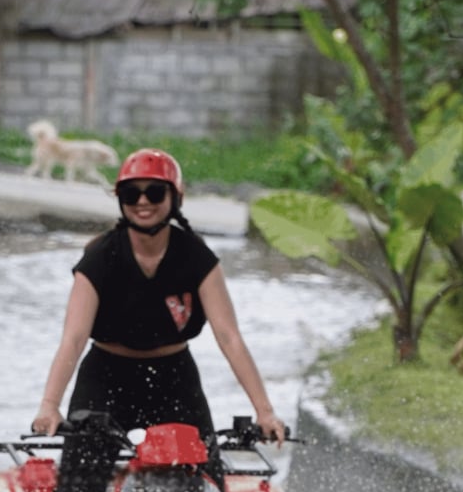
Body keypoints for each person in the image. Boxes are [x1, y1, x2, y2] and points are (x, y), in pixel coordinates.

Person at [30, 147, 288, 450]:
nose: (142, 202)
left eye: (154, 193)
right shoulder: (99, 257)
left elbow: (229, 337)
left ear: (175, 198)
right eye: (131, 194)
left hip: (174, 378)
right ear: (120, 200)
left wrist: (264, 411)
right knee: (82, 475)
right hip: (104, 378)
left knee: (201, 472)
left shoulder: (197, 257)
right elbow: (74, 339)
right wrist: (49, 405)